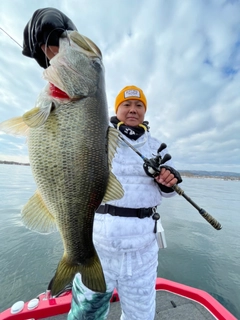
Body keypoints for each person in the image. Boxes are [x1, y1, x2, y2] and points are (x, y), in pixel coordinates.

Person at [23, 8, 182, 320]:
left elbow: (169, 189)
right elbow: (69, 126)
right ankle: (77, 263)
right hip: (100, 243)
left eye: (138, 105)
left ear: (144, 111)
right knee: (87, 312)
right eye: (127, 105)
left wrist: (170, 181)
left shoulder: (157, 146)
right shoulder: (99, 133)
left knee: (140, 314)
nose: (132, 109)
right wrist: (52, 48)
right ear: (117, 109)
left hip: (142, 249)